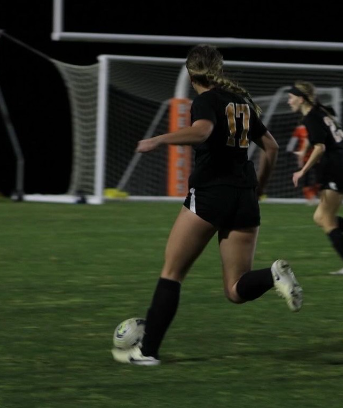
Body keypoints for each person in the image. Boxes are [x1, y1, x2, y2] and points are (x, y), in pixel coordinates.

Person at [111, 44, 303, 366]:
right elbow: (271, 147)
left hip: (212, 193)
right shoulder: (241, 101)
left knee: (172, 273)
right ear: (219, 68)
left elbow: (202, 132)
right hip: (244, 197)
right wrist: (260, 190)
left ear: (190, 73)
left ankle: (147, 352)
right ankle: (272, 276)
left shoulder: (206, 101)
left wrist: (159, 140)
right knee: (235, 288)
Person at [288, 81, 343, 275]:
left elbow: (320, 147)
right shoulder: (321, 112)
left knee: (326, 219)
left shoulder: (311, 117)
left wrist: (302, 171)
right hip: (341, 165)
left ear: (301, 99)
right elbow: (322, 138)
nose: (288, 101)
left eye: (291, 97)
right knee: (320, 216)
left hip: (337, 168)